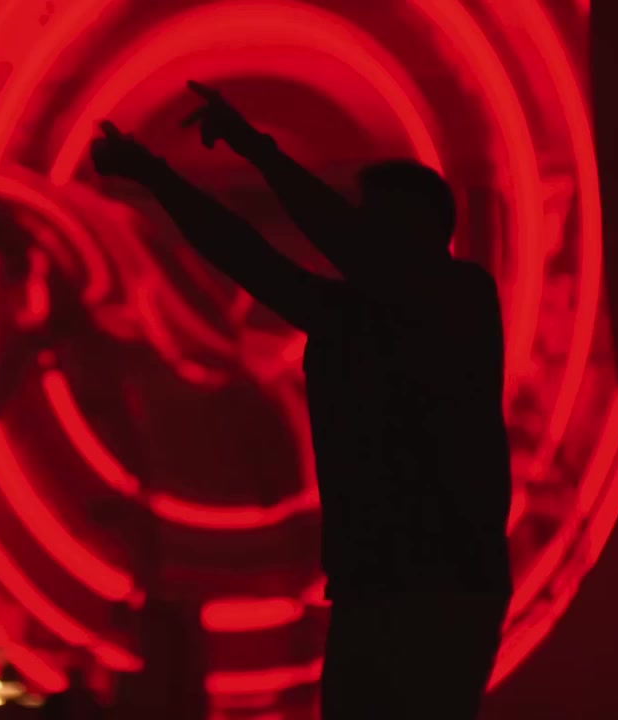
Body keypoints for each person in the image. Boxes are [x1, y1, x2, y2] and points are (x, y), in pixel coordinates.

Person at [90, 81, 512, 719]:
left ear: (427, 228)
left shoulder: (461, 295)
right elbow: (246, 256)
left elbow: (323, 242)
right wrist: (158, 178)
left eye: (377, 218)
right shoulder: (356, 313)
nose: (363, 229)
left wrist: (250, 149)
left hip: (439, 584)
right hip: (386, 583)